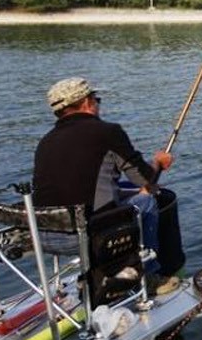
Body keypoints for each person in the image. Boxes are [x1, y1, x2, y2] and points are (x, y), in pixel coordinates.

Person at [32, 77, 186, 294]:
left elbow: (81, 186)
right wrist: (159, 163)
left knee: (126, 189)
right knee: (148, 201)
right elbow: (143, 178)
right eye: (97, 99)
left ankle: (93, 274)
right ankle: (149, 277)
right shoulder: (108, 132)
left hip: (45, 235)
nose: (98, 104)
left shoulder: (45, 141)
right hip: (87, 236)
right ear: (87, 102)